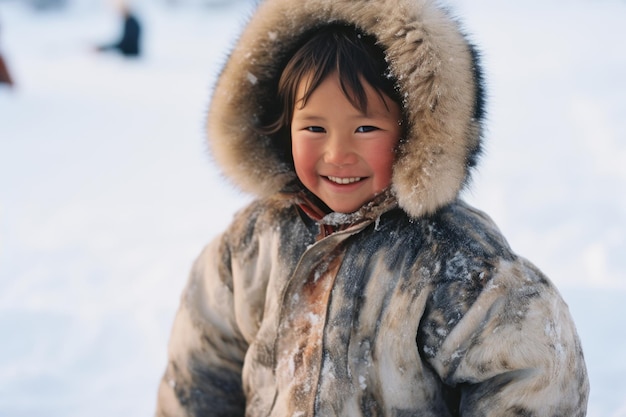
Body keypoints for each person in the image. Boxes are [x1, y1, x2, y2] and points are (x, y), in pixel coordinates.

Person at [155, 0, 589, 416]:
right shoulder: (251, 244)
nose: (337, 153)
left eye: (365, 127)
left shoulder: (453, 259)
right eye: (313, 127)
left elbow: (533, 378)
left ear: (414, 130)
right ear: (282, 126)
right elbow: (200, 372)